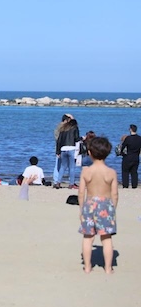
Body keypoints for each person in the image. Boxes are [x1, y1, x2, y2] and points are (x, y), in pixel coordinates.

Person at [77, 136, 118, 274]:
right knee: (106, 238)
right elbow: (115, 194)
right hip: (106, 205)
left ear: (89, 152)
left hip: (89, 204)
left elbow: (81, 192)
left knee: (88, 237)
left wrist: (81, 208)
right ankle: (108, 268)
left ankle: (87, 267)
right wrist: (113, 208)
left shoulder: (86, 171)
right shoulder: (111, 172)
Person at [55, 116, 80, 189]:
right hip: (72, 148)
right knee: (71, 167)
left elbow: (59, 141)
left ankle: (58, 182)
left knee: (63, 167)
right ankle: (71, 184)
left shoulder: (63, 129)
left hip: (63, 149)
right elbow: (77, 138)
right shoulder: (75, 128)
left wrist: (58, 151)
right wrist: (82, 138)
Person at [118, 124, 140, 189]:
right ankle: (134, 185)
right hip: (136, 157)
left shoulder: (128, 138)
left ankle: (125, 185)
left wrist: (122, 153)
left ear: (130, 129)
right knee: (134, 172)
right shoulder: (139, 138)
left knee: (125, 172)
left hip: (128, 157)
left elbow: (123, 146)